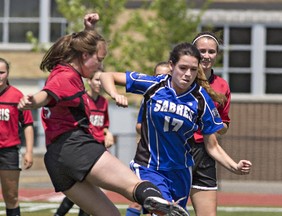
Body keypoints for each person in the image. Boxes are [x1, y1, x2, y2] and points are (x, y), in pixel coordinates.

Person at [17, 13, 188, 216]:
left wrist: (90, 30)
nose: (101, 66)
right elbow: (46, 95)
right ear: (84, 56)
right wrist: (32, 101)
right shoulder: (66, 77)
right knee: (134, 186)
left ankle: (155, 201)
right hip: (76, 147)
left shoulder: (63, 68)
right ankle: (159, 201)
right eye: (99, 60)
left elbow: (82, 52)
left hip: (56, 160)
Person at [100, 42, 252, 215]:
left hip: (180, 172)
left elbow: (212, 146)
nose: (187, 74)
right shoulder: (154, 85)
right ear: (171, 66)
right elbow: (107, 76)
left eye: (193, 70)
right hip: (149, 166)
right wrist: (115, 94)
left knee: (171, 211)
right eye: (183, 68)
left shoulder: (201, 100)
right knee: (163, 209)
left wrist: (235, 166)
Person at [55, 68, 114, 216]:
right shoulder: (82, 99)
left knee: (90, 191)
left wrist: (108, 133)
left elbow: (104, 125)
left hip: (98, 150)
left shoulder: (104, 102)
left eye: (102, 80)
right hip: (84, 149)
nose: (100, 84)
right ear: (89, 81)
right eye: (96, 80)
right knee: (80, 189)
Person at [189, 31, 231, 216]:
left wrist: (216, 124)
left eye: (211, 52)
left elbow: (224, 125)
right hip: (178, 150)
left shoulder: (222, 85)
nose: (206, 56)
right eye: (202, 51)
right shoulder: (182, 79)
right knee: (169, 209)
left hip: (205, 151)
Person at [126, 62, 171, 216]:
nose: (161, 78)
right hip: (149, 157)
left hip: (170, 161)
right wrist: (152, 129)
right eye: (157, 75)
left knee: (162, 204)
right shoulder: (149, 98)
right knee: (143, 199)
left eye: (165, 75)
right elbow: (139, 125)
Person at [0, 57, 34, 216]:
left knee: (11, 196)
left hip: (9, 153)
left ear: (7, 74)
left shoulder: (16, 96)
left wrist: (29, 151)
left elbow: (27, 124)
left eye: (1, 72)